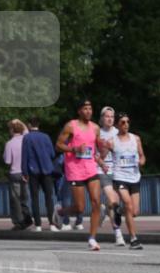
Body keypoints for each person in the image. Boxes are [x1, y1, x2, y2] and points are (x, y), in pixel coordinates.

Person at [55, 100, 106, 250]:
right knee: (80, 208)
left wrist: (105, 148)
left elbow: (99, 150)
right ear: (79, 111)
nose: (89, 111)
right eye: (85, 108)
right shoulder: (71, 126)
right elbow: (58, 145)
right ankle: (60, 212)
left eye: (90, 108)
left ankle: (92, 238)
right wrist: (74, 149)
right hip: (75, 169)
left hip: (90, 169)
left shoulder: (95, 128)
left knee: (96, 202)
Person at [110, 112, 146, 249]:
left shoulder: (136, 139)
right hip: (120, 177)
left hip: (134, 177)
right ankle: (133, 239)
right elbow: (100, 155)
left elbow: (142, 156)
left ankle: (118, 211)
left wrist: (141, 162)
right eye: (123, 122)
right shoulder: (112, 141)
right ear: (117, 125)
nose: (126, 125)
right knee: (128, 205)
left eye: (127, 122)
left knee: (134, 212)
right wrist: (101, 163)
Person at [21, 116, 59, 232]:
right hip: (47, 170)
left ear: (29, 125)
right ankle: (52, 223)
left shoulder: (27, 138)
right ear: (39, 124)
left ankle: (38, 225)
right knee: (49, 198)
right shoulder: (46, 137)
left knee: (35, 198)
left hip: (33, 171)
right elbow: (52, 154)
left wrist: (24, 172)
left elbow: (25, 156)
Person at [97, 107, 124, 244]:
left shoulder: (118, 133)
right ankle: (118, 233)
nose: (110, 119)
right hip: (102, 171)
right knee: (113, 201)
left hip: (117, 171)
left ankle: (103, 211)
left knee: (115, 203)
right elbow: (92, 154)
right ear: (101, 118)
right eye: (107, 116)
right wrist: (100, 161)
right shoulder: (97, 133)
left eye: (112, 117)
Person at [3, 119, 33, 230]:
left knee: (15, 199)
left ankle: (19, 222)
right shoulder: (26, 139)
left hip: (14, 173)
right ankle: (27, 218)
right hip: (26, 173)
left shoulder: (9, 143)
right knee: (25, 198)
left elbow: (7, 161)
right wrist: (19, 121)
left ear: (11, 130)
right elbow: (26, 130)